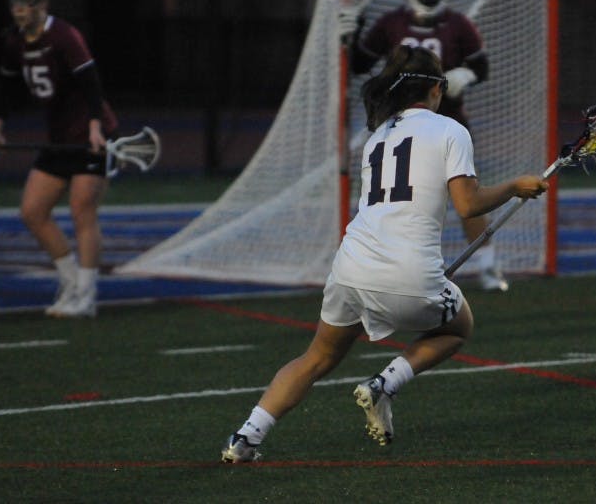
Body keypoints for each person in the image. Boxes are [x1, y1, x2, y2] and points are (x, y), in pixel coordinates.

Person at [220, 46, 546, 462]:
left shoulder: (379, 135)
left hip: (351, 265)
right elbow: (468, 204)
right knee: (458, 327)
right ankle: (383, 385)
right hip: (407, 274)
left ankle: (245, 437)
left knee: (316, 356)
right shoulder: (450, 129)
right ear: (436, 89)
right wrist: (516, 187)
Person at [346, 0, 509, 292]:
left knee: (467, 196)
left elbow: (481, 66)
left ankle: (487, 264)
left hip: (446, 123)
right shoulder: (391, 24)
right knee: (390, 197)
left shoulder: (459, 25)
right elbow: (360, 64)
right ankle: (379, 262)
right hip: (396, 126)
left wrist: (464, 74)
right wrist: (350, 33)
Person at [0, 0, 118, 318]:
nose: (18, 8)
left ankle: (86, 296)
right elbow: (4, 87)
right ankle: (70, 281)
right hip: (59, 140)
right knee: (33, 212)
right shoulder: (14, 41)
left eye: (26, 0)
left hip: (91, 136)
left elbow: (92, 85)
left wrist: (95, 127)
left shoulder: (63, 35)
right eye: (13, 0)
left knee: (81, 209)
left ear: (42, 2)